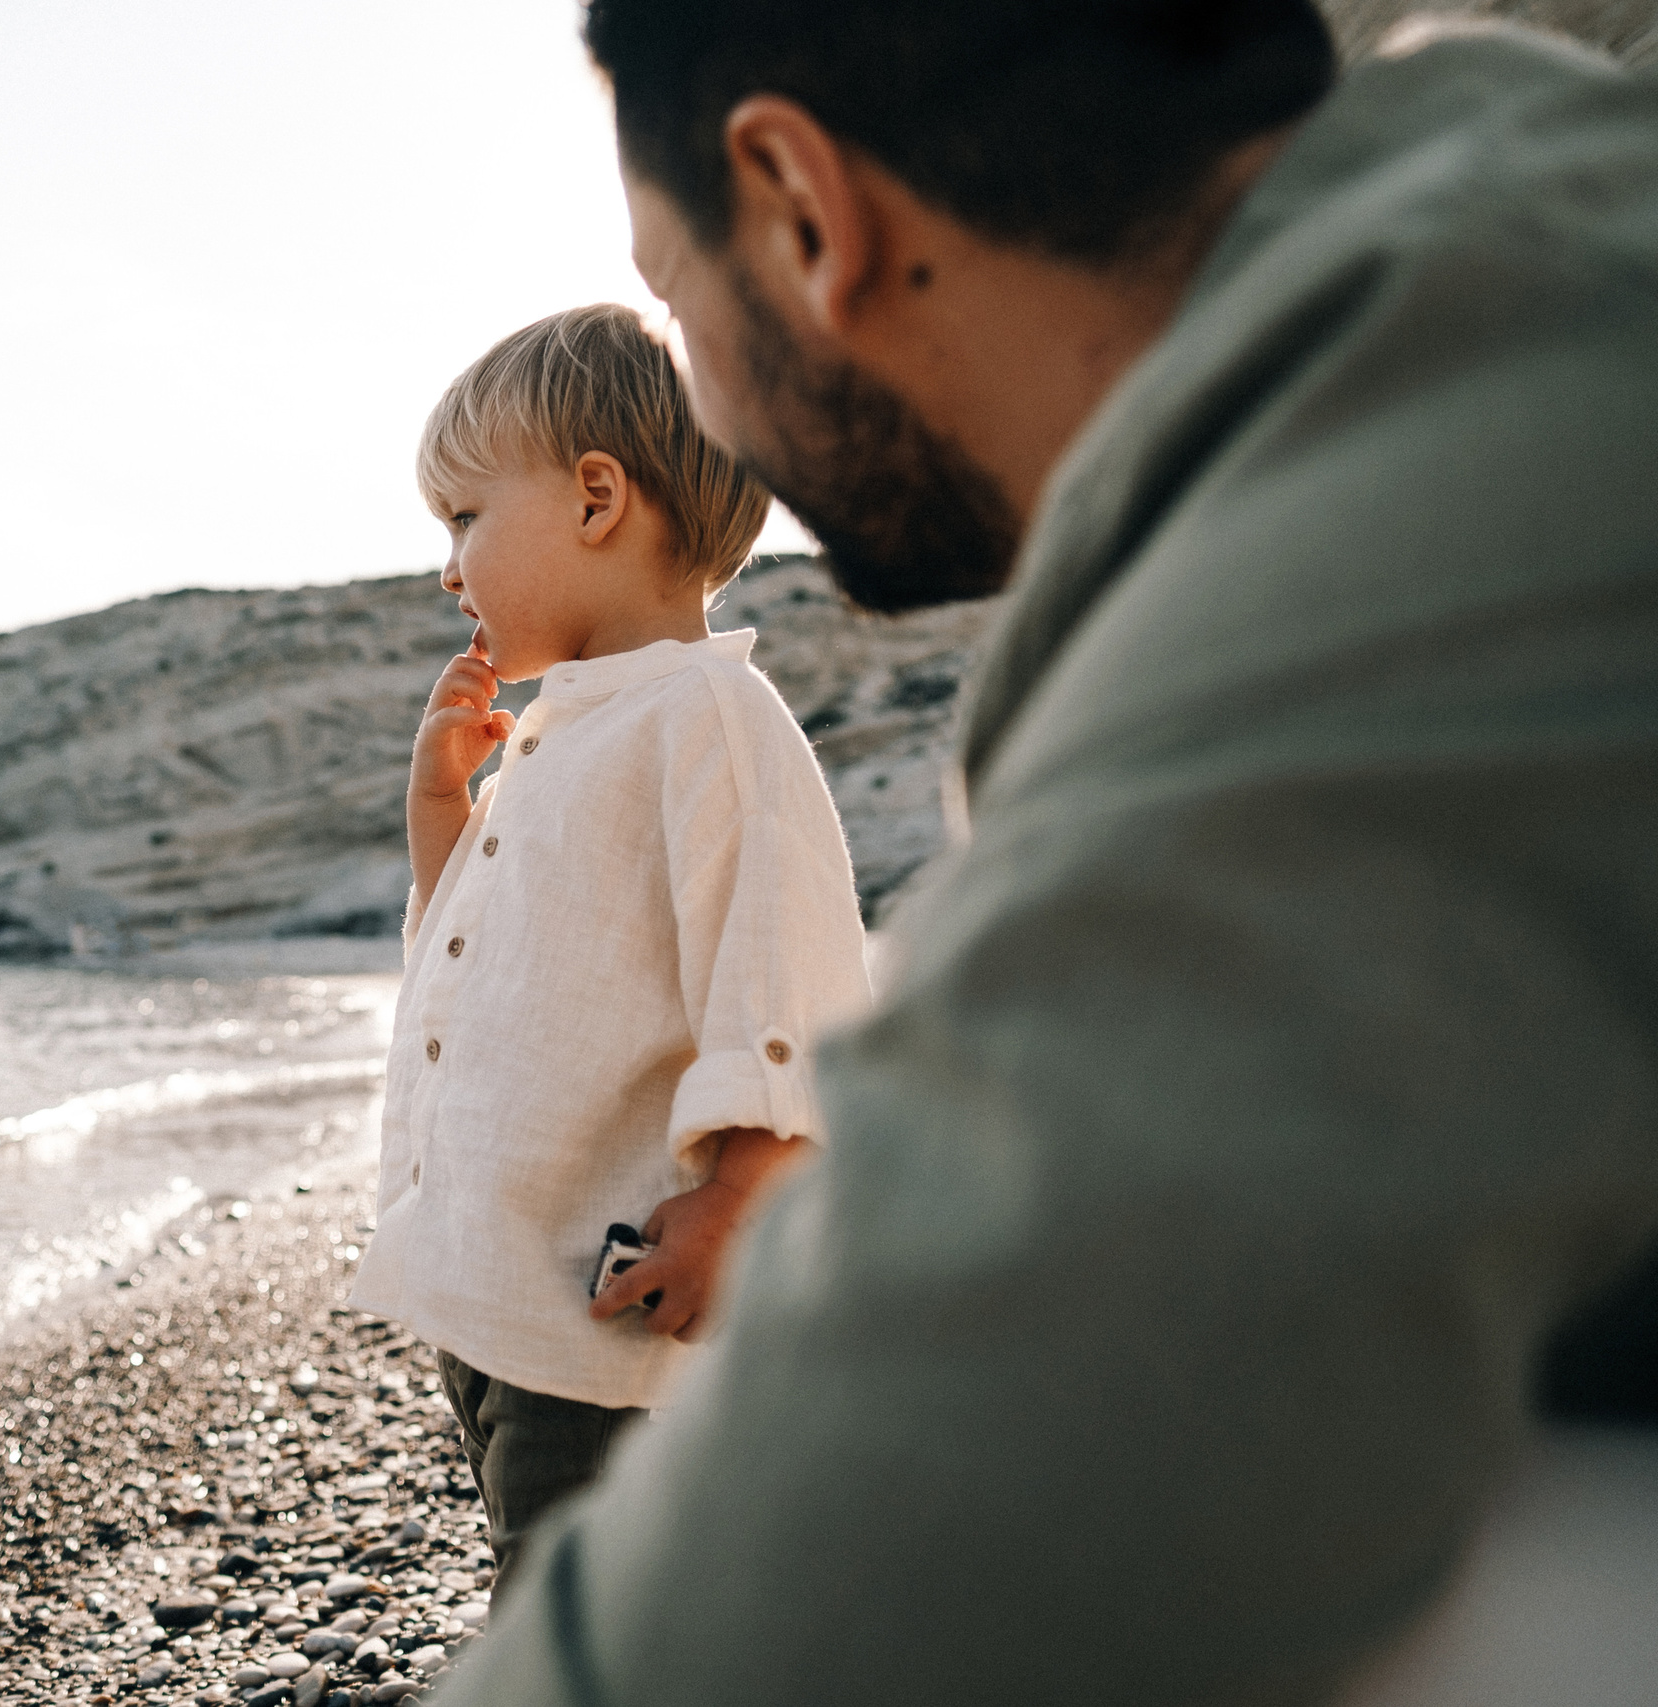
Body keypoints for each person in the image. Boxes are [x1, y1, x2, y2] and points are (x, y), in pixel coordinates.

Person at [433, 3, 1658, 1703]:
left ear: (803, 205)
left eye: (675, 300)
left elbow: (946, 1470)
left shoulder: (1444, 512)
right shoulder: (1502, 279)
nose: (705, 400)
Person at [348, 303, 872, 1570]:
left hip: (611, 1310)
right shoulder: (561, 735)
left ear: (595, 499)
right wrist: (441, 824)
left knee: (575, 1614)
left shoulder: (708, 718)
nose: (446, 567)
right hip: (502, 1297)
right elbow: (478, 964)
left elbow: (783, 981)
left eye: (464, 519)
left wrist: (742, 1193)